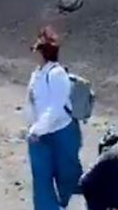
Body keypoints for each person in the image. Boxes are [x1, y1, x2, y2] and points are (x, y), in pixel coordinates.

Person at [25, 26, 83, 210]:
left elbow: (56, 107)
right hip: (41, 136)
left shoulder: (56, 74)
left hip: (62, 133)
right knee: (42, 181)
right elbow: (32, 102)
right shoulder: (37, 74)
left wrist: (36, 129)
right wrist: (32, 126)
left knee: (68, 177)